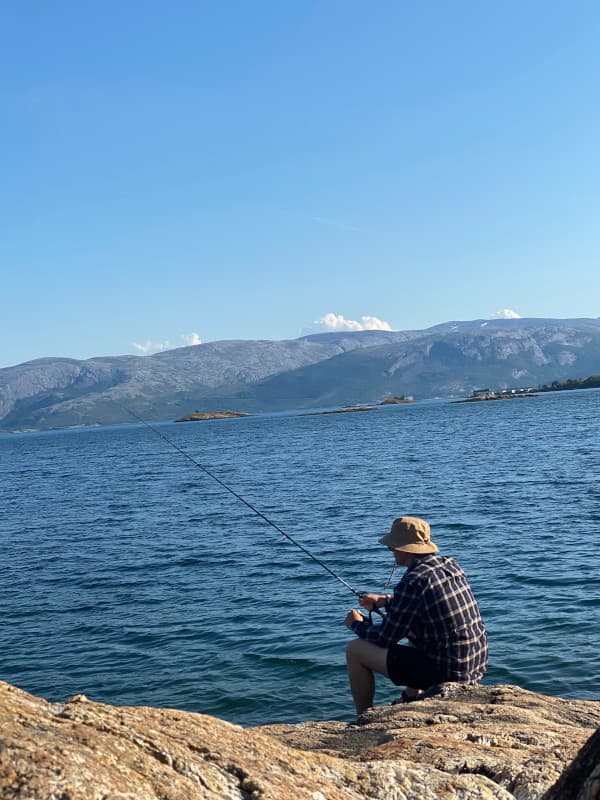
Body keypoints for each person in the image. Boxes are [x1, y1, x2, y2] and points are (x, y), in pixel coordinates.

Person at [344, 516, 488, 715]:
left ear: (403, 548)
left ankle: (363, 717)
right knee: (417, 626)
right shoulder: (449, 565)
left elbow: (384, 638)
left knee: (355, 649)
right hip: (473, 663)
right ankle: (412, 695)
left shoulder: (412, 581)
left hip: (447, 673)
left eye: (392, 548)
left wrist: (356, 625)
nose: (392, 552)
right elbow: (422, 601)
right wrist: (386, 600)